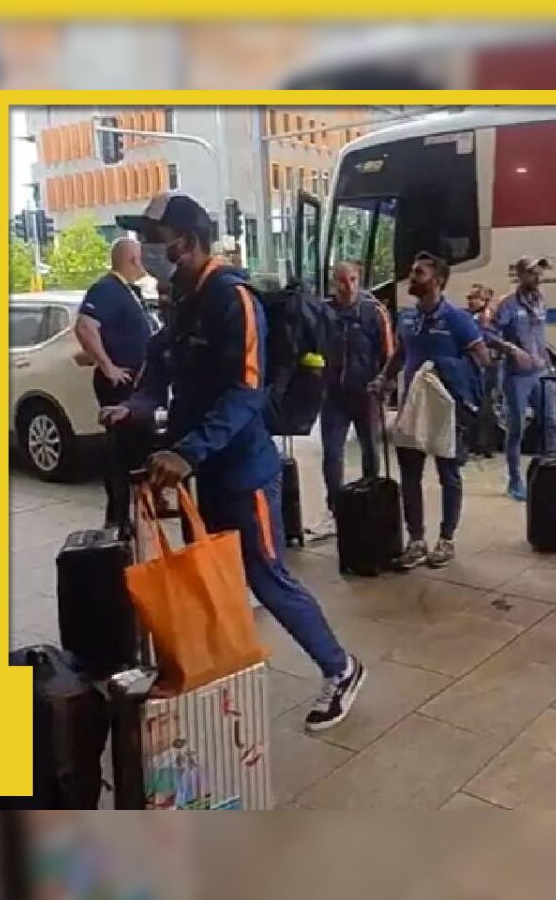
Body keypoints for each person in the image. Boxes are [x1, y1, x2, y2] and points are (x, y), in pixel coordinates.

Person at [102, 192, 365, 732]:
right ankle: (216, 669)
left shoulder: (232, 297)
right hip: (206, 471)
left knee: (267, 576)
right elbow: (161, 366)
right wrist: (136, 405)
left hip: (245, 473)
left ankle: (341, 668)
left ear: (186, 240)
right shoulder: (183, 294)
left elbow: (247, 392)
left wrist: (186, 451)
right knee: (216, 575)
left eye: (154, 241)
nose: (149, 252)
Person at [371, 251, 491, 570]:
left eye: (419, 273)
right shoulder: (409, 318)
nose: (412, 277)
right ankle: (416, 540)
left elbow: (482, 359)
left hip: (444, 410)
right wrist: (384, 377)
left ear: (437, 281)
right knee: (409, 474)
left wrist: (450, 376)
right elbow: (400, 353)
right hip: (412, 407)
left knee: (447, 474)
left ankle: (446, 538)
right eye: (413, 271)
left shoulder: (457, 319)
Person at [309, 261, 395, 539]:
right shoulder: (323, 311)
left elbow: (388, 352)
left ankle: (371, 503)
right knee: (332, 454)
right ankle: (336, 511)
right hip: (333, 395)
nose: (349, 287)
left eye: (354, 280)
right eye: (343, 281)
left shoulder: (374, 311)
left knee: (370, 449)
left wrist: (384, 384)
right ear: (334, 282)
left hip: (366, 393)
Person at [74, 237, 155, 529]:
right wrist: (108, 367)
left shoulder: (126, 291)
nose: (142, 263)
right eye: (140, 257)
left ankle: (138, 511)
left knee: (138, 449)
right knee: (121, 453)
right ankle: (118, 518)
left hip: (137, 386)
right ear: (132, 259)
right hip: (121, 387)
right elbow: (85, 326)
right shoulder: (107, 289)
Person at [488, 257, 556, 501]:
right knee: (517, 427)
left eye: (539, 273)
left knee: (551, 422)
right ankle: (515, 479)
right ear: (520, 275)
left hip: (542, 372)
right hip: (517, 376)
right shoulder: (507, 305)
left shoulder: (540, 301)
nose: (537, 277)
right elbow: (488, 333)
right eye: (531, 273)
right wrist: (511, 350)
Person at [466, 284, 500, 459]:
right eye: (469, 298)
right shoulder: (474, 317)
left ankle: (483, 444)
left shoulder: (484, 318)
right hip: (479, 366)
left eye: (473, 298)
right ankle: (481, 443)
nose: (470, 301)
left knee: (484, 405)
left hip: (484, 367)